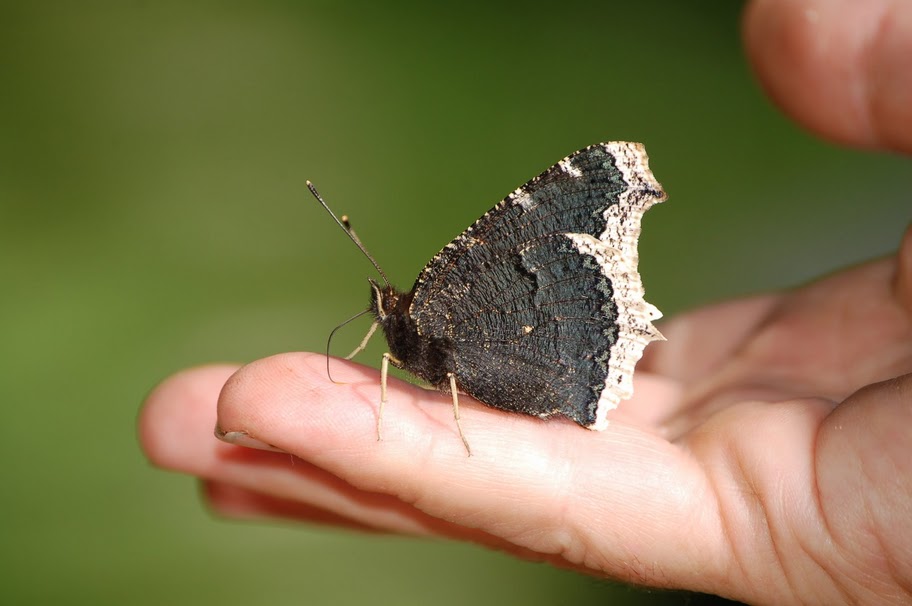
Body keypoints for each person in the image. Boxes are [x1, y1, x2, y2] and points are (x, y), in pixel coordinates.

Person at [138, 0, 912, 603]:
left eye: (381, 310)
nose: (381, 313)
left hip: (563, 338)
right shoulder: (415, 325)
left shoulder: (440, 303)